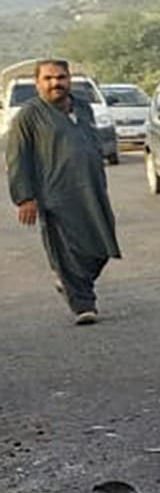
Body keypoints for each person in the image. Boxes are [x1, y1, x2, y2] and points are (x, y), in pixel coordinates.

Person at [6, 58, 120, 324]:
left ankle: (68, 279)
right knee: (67, 248)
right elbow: (17, 158)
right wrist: (25, 197)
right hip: (56, 193)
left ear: (69, 79)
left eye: (60, 77)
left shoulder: (83, 108)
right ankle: (83, 304)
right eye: (48, 78)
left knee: (101, 247)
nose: (55, 83)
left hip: (92, 190)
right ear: (37, 83)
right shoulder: (29, 115)